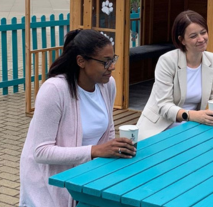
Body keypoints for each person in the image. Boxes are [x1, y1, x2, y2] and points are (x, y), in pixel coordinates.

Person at [19, 29, 136, 207]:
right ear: (81, 61)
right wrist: (95, 151)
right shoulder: (54, 90)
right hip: (50, 184)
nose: (111, 67)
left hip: (86, 176)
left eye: (113, 60)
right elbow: (41, 152)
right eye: (105, 62)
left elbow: (108, 129)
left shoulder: (107, 85)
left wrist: (115, 149)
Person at [136, 10, 213, 141]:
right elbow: (164, 106)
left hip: (191, 128)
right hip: (159, 129)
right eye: (193, 36)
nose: (201, 39)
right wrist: (193, 116)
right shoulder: (167, 61)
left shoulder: (211, 60)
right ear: (182, 40)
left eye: (203, 32)